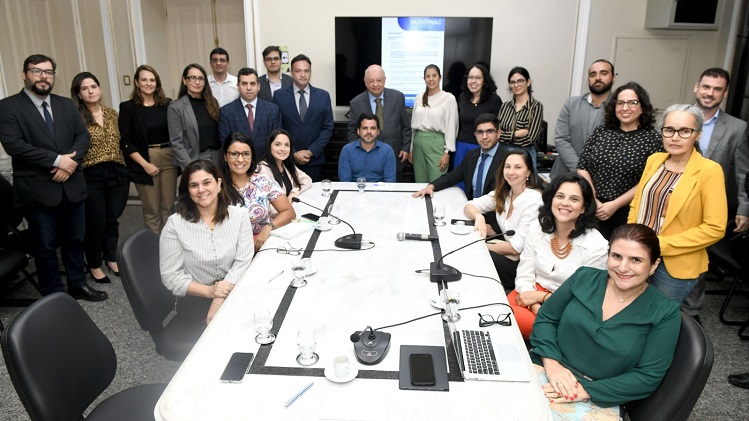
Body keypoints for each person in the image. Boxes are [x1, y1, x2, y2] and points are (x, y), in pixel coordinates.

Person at [530, 224, 681, 416]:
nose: (623, 268)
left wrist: (585, 391)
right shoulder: (583, 277)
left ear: (654, 265)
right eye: (616, 256)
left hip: (598, 393)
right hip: (547, 366)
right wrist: (552, 365)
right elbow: (546, 318)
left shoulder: (665, 312)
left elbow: (648, 375)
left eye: (636, 260)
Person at [0, 54, 106, 301]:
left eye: (48, 72)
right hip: (38, 190)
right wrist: (58, 161)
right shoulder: (8, 107)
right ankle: (53, 296)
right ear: (24, 74)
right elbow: (15, 145)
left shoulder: (65, 104)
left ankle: (77, 284)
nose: (43, 77)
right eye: (36, 71)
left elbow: (83, 137)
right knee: (46, 247)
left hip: (72, 186)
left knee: (74, 240)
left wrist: (69, 164)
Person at [628, 104, 727, 304]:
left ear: (697, 134)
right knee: (632, 309)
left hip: (675, 263)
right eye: (669, 130)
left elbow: (715, 228)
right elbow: (637, 204)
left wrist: (660, 244)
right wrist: (631, 237)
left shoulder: (710, 171)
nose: (675, 137)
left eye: (684, 131)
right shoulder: (654, 160)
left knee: (659, 319)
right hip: (638, 253)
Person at [684, 67, 749, 322]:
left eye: (717, 89)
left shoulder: (737, 127)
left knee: (699, 260)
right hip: (673, 200)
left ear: (725, 92)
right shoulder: (678, 116)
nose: (710, 93)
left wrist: (745, 208)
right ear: (696, 87)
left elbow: (744, 171)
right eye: (706, 87)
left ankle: (691, 314)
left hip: (708, 206)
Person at [508, 173, 607, 338]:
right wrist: (534, 303)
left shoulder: (597, 245)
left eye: (574, 199)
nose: (565, 203)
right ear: (551, 199)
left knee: (549, 331)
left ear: (584, 207)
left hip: (568, 306)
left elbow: (584, 297)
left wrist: (543, 298)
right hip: (529, 293)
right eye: (560, 196)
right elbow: (525, 272)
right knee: (500, 315)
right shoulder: (537, 228)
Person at [160, 160, 253, 325]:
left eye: (206, 182)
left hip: (234, 290)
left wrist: (218, 298)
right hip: (196, 298)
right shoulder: (175, 224)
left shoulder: (240, 216)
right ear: (188, 191)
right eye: (194, 185)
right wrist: (210, 291)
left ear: (218, 183)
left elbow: (242, 262)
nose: (201, 190)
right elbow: (171, 276)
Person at [577, 81, 663, 240]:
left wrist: (615, 204)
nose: (625, 108)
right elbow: (582, 166)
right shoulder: (602, 131)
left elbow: (649, 180)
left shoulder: (653, 140)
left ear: (642, 106)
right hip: (591, 205)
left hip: (625, 212)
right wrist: (593, 199)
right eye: (620, 103)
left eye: (632, 103)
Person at [70, 72, 130, 284]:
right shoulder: (74, 117)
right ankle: (95, 264)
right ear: (79, 93)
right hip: (91, 173)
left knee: (112, 217)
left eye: (93, 86)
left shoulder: (112, 113)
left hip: (116, 171)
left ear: (100, 88)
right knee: (96, 221)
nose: (90, 91)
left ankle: (111, 257)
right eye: (85, 88)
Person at [463, 150, 543, 283]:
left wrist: (478, 246)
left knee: (473, 255)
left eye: (518, 167)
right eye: (507, 166)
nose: (511, 172)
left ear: (528, 172)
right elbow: (470, 205)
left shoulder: (534, 200)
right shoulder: (504, 193)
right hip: (506, 254)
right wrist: (479, 217)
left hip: (523, 268)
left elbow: (515, 248)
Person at [119, 64, 178, 235]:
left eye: (152, 80)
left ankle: (170, 245)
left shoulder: (167, 105)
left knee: (168, 207)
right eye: (144, 79)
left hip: (168, 157)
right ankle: (154, 250)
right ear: (137, 82)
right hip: (144, 158)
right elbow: (126, 141)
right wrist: (145, 165)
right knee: (152, 210)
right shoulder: (128, 107)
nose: (148, 83)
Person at [221, 132, 295, 251]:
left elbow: (289, 211)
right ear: (225, 156)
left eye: (246, 154)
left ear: (252, 157)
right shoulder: (216, 186)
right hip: (229, 250)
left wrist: (268, 227)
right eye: (234, 154)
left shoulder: (263, 181)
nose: (240, 159)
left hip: (262, 246)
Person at [413, 113, 508, 200]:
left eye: (489, 131)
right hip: (471, 211)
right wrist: (432, 186)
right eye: (480, 132)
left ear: (498, 134)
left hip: (496, 215)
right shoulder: (471, 156)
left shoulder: (508, 159)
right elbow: (452, 177)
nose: (484, 137)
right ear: (475, 134)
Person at [549, 59, 616, 181]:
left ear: (614, 78)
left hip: (600, 180)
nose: (598, 78)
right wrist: (579, 170)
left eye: (604, 73)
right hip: (564, 176)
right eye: (593, 74)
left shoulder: (620, 108)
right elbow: (561, 139)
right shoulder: (571, 104)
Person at [272, 54, 334, 181]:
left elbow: (328, 128)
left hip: (315, 160)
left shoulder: (323, 96)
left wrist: (311, 151)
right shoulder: (279, 96)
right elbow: (277, 127)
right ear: (291, 73)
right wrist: (293, 152)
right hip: (287, 160)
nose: (303, 74)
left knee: (315, 197)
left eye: (306, 71)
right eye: (298, 71)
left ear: (310, 73)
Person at [347, 65, 412, 181]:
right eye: (371, 81)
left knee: (393, 194)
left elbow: (406, 126)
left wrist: (406, 148)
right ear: (365, 82)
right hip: (367, 158)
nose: (375, 84)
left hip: (395, 155)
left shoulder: (398, 97)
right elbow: (352, 131)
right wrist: (357, 153)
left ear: (385, 80)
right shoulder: (356, 103)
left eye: (379, 80)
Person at [218, 67, 282, 160]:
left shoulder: (273, 110)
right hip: (239, 164)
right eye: (244, 84)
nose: (248, 88)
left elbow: (277, 140)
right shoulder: (226, 112)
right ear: (238, 86)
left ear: (258, 86)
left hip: (267, 165)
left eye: (252, 84)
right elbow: (226, 142)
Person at [410, 64, 458, 183]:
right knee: (420, 184)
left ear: (440, 77)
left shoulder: (448, 98)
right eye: (428, 76)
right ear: (424, 79)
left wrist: (447, 152)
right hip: (418, 143)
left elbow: (452, 127)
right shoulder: (419, 97)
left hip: (437, 144)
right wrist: (411, 148)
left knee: (436, 184)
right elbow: (413, 125)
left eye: (434, 76)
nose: (431, 79)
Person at [169, 63, 222, 170]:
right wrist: (189, 167)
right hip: (195, 158)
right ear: (184, 80)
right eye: (192, 78)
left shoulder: (212, 102)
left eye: (201, 78)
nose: (197, 82)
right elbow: (176, 144)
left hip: (217, 156)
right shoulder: (176, 108)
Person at [455, 63, 502, 170]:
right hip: (462, 146)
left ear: (484, 80)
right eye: (470, 77)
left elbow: (498, 126)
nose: (473, 81)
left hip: (483, 146)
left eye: (478, 78)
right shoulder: (462, 97)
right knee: (459, 182)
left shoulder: (494, 100)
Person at [497, 66, 544, 171]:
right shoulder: (505, 106)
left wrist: (506, 137)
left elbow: (531, 139)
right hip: (504, 156)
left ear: (528, 82)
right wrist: (516, 134)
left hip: (525, 156)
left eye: (520, 81)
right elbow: (497, 135)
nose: (516, 85)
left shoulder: (536, 106)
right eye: (512, 82)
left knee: (525, 187)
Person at [338, 112, 395, 183]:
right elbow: (345, 181)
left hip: (380, 192)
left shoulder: (387, 150)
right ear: (358, 131)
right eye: (365, 128)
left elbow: (389, 182)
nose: (369, 132)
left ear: (378, 131)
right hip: (354, 192)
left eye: (373, 128)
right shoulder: (347, 150)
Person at [257, 129, 312, 201]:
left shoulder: (286, 165)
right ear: (269, 146)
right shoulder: (261, 169)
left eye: (287, 145)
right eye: (277, 144)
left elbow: (307, 180)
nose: (283, 149)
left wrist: (294, 193)